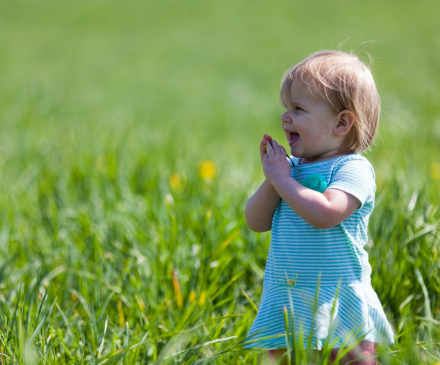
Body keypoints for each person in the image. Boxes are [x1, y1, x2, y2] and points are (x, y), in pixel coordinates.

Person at [243, 50, 394, 365]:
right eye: (286, 108)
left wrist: (283, 181)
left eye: (298, 109)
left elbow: (326, 213)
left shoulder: (353, 169)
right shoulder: (289, 171)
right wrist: (274, 179)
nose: (285, 118)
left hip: (341, 306)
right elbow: (256, 221)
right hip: (289, 305)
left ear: (342, 123)